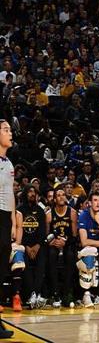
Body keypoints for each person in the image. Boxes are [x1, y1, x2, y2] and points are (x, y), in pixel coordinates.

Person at [46, 188, 78, 307]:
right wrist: (52, 241)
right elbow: (46, 236)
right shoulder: (49, 214)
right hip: (54, 244)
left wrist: (65, 242)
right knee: (51, 254)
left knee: (70, 255)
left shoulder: (72, 212)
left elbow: (75, 236)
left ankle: (67, 293)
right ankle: (55, 293)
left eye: (63, 194)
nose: (61, 197)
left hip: (68, 243)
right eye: (58, 195)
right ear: (54, 199)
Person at [18, 185, 47, 309]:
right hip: (24, 245)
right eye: (30, 191)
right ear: (25, 194)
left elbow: (43, 231)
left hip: (38, 245)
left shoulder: (40, 210)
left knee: (42, 261)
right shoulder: (20, 210)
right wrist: (27, 247)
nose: (32, 194)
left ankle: (36, 293)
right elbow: (19, 231)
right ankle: (32, 294)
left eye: (34, 192)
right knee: (24, 263)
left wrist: (37, 245)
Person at [0, 120, 16, 338]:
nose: (10, 133)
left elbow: (11, 194)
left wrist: (12, 222)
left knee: (2, 269)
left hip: (5, 219)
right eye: (6, 130)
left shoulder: (10, 164)